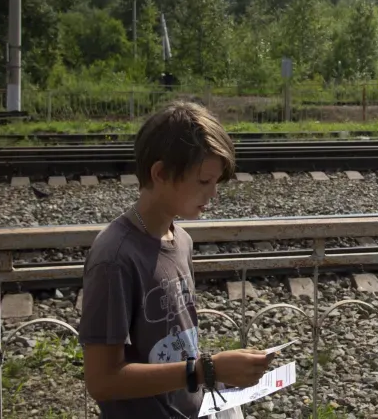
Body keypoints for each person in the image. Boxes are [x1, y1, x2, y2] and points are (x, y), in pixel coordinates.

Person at [78, 101, 274, 418]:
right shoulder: (114, 258)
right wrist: (205, 370)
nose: (212, 194)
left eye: (216, 182)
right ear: (160, 173)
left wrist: (211, 372)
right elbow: (102, 381)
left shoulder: (180, 240)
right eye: (203, 181)